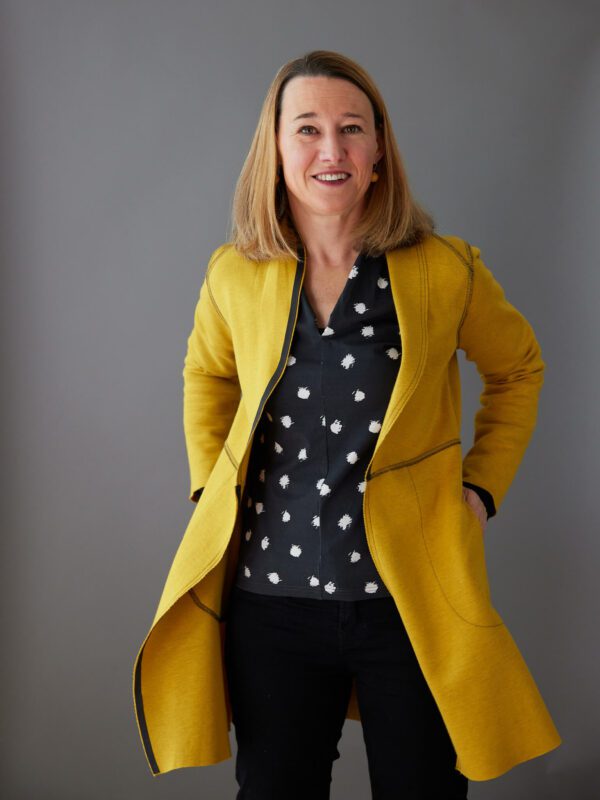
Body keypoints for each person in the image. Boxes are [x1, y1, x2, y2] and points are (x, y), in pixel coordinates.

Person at [132, 50, 562, 798]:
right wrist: (211, 489)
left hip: (411, 601)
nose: (331, 149)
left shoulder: (445, 269)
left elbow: (518, 368)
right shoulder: (234, 274)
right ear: (276, 149)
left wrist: (482, 487)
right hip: (271, 604)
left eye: (351, 128)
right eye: (307, 128)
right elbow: (208, 376)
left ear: (378, 150)